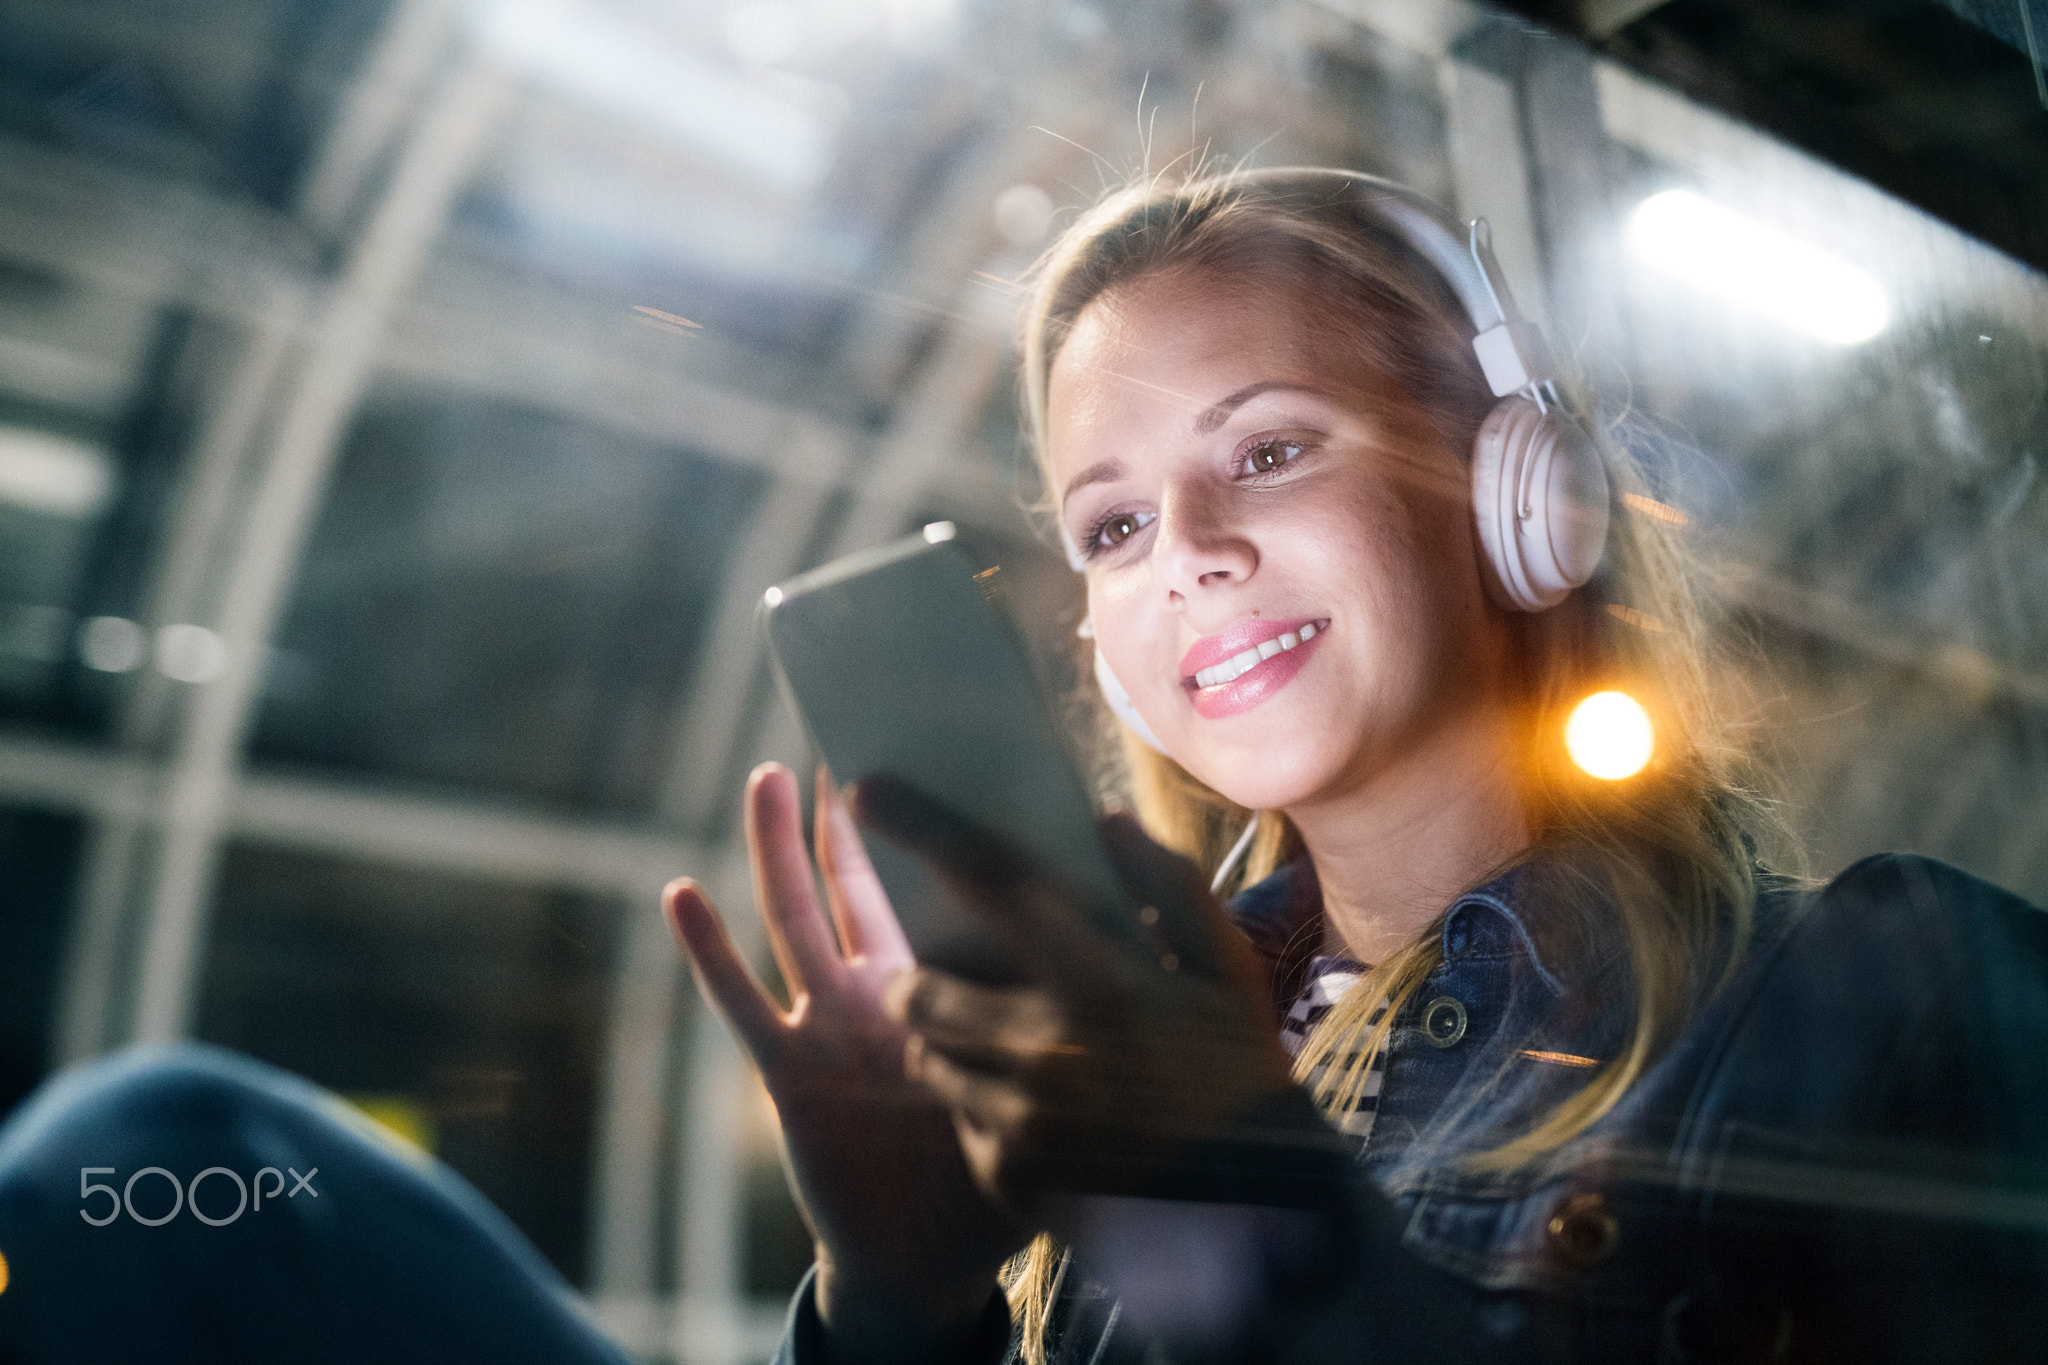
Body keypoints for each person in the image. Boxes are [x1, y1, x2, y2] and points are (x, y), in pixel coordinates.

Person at [664, 168, 2048, 1365]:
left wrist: (1260, 1220)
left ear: (1519, 488)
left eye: (1266, 450)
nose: (1189, 549)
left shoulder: (1893, 988)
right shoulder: (1124, 1099)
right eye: (1113, 526)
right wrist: (898, 1309)